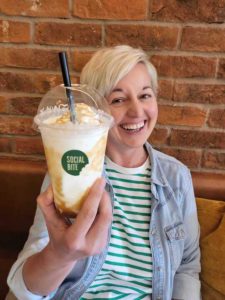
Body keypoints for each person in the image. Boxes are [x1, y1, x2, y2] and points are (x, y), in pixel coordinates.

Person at [7, 45, 201, 300]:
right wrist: (61, 255)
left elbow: (187, 265)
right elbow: (24, 290)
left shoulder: (176, 178)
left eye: (145, 95)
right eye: (118, 99)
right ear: (94, 111)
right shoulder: (70, 172)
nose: (137, 111)